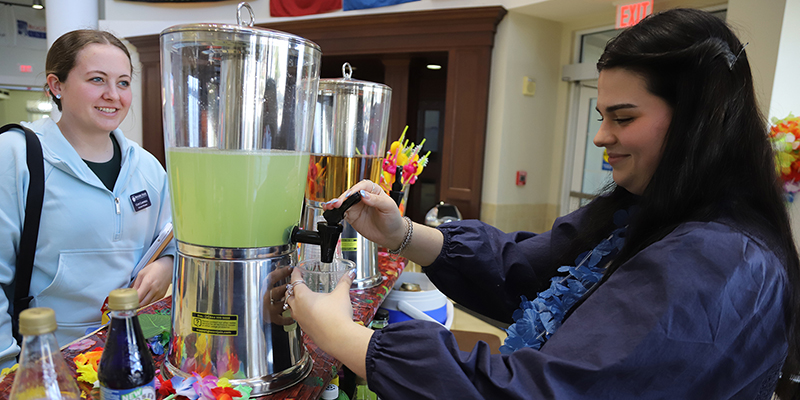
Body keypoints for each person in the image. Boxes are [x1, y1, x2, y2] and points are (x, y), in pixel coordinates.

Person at [284, 8, 800, 399]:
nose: (601, 137)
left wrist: (341, 335)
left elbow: (542, 389)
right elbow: (528, 267)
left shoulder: (720, 260)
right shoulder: (646, 211)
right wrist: (403, 234)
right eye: (601, 115)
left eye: (623, 118)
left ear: (698, 124)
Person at [0, 30, 175, 368]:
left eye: (123, 83)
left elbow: (172, 241)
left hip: (132, 355)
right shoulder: (16, 155)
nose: (113, 95)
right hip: (44, 362)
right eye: (97, 79)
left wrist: (165, 267)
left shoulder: (148, 168)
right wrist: (7, 369)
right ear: (56, 85)